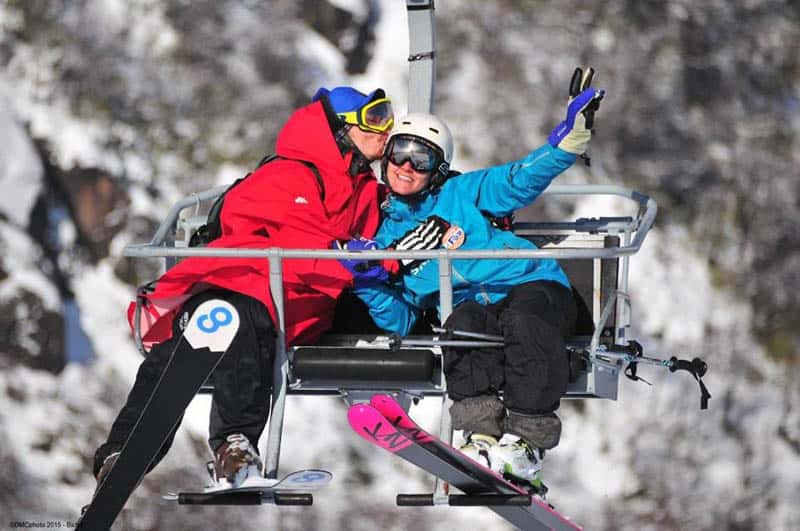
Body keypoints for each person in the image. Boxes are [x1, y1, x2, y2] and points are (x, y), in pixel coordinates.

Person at [92, 86, 395, 490]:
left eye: (387, 117)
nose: (384, 130)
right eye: (374, 120)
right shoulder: (286, 173)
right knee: (216, 325)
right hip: (233, 289)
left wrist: (372, 259)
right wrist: (342, 255)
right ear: (340, 130)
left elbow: (392, 234)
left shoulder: (368, 194)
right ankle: (161, 448)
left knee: (219, 328)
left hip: (291, 308)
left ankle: (197, 447)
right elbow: (266, 230)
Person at [345, 68, 604, 491]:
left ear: (438, 168)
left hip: (535, 288)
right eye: (400, 154)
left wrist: (566, 144)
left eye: (422, 158)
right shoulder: (383, 238)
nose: (407, 167)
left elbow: (520, 179)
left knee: (523, 319)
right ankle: (480, 436)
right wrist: (369, 282)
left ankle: (525, 445)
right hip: (474, 309)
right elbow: (402, 320)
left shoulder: (463, 193)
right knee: (460, 326)